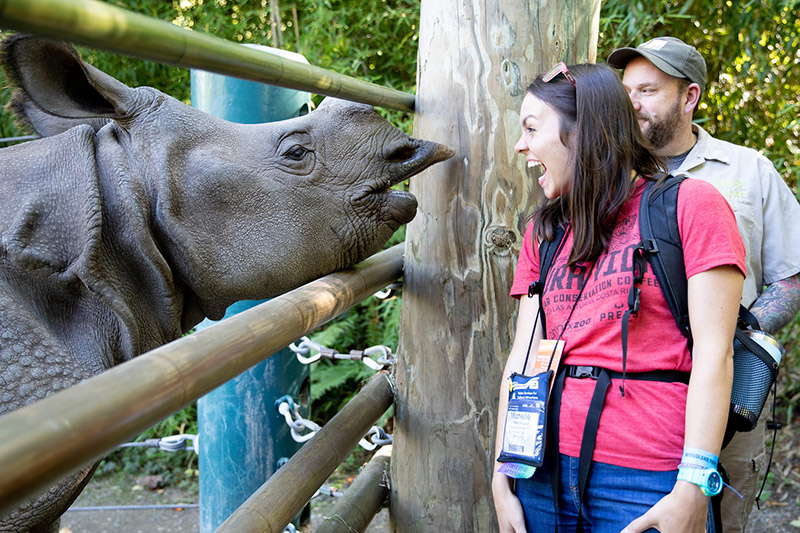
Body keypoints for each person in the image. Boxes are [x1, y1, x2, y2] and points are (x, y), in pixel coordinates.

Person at [492, 62, 746, 533]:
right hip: (538, 473)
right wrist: (501, 476)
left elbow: (717, 354)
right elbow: (522, 360)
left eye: (531, 128)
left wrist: (692, 486)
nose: (521, 145)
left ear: (584, 130)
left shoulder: (691, 206)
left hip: (648, 478)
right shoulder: (543, 234)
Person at [608, 36, 800, 533]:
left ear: (689, 96)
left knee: (723, 516)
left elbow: (793, 273)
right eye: (625, 90)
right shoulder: (606, 177)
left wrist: (744, 329)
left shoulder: (749, 171)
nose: (631, 103)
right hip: (631, 403)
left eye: (647, 90)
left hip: (729, 395)